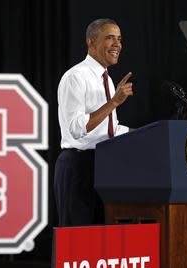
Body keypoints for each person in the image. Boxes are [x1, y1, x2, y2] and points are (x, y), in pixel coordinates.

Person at [54, 18, 133, 226]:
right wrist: (113, 102)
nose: (117, 44)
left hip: (105, 165)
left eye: (119, 39)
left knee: (101, 241)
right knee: (77, 243)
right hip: (79, 167)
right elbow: (76, 129)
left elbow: (108, 129)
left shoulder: (107, 79)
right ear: (91, 41)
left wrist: (147, 134)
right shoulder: (75, 77)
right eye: (109, 38)